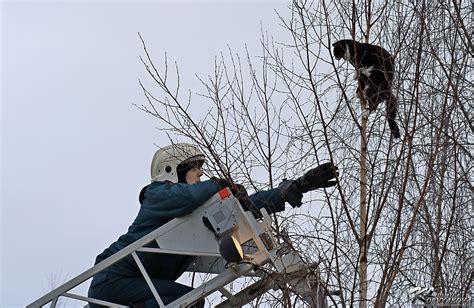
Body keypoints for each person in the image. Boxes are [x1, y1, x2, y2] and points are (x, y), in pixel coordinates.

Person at [88, 143, 338, 307]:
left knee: (190, 302)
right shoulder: (157, 195)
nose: (200, 176)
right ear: (173, 170)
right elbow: (190, 196)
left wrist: (295, 187)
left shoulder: (192, 210)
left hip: (138, 285)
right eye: (196, 171)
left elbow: (242, 207)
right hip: (113, 279)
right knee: (187, 301)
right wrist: (219, 186)